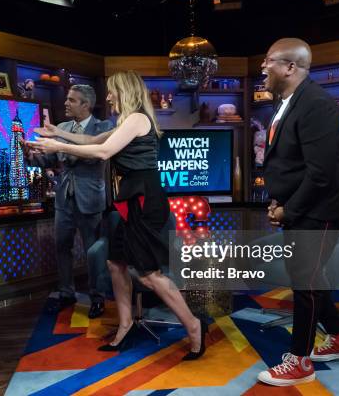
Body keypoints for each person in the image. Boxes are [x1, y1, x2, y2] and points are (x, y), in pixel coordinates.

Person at [29, 71, 206, 360]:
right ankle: (125, 325)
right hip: (130, 199)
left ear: (125, 91)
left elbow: (103, 151)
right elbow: (91, 138)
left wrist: (57, 146)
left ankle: (194, 326)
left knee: (150, 276)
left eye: (112, 92)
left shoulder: (137, 119)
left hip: (144, 200)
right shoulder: (126, 121)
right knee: (115, 263)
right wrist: (57, 132)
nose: (108, 97)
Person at [257, 38, 339, 386]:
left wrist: (289, 210)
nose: (262, 67)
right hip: (302, 207)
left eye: (269, 61)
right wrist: (279, 203)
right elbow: (292, 165)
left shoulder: (317, 105)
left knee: (306, 279)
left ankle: (299, 362)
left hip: (322, 209)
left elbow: (320, 174)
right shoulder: (288, 102)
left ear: (290, 67)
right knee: (308, 276)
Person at [23, 84, 114, 318]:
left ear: (86, 105)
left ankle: (97, 297)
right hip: (64, 200)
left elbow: (95, 155)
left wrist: (61, 144)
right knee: (62, 247)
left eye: (72, 100)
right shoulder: (61, 127)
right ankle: (66, 293)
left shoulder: (102, 127)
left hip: (90, 199)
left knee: (93, 251)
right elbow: (47, 161)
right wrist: (30, 154)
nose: (66, 103)